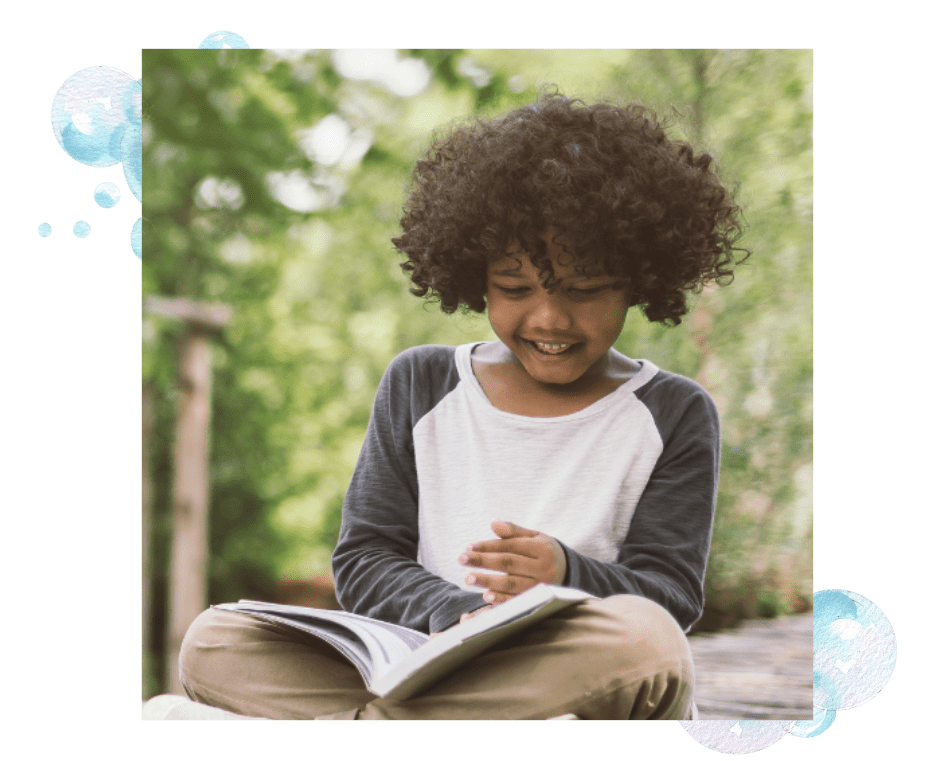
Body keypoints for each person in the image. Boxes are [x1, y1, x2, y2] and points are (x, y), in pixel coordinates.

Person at [179, 93, 746, 720]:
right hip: (433, 663)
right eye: (514, 288)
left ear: (639, 280)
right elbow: (365, 560)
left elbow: (669, 597)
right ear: (474, 276)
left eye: (584, 291)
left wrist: (565, 574)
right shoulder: (420, 383)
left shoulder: (674, 412)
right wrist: (457, 613)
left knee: (646, 639)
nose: (550, 318)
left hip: (573, 678)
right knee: (214, 641)